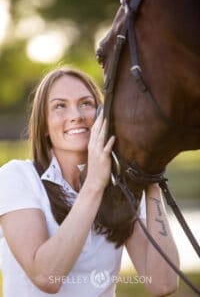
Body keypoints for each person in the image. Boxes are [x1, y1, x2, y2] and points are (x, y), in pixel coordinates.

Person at [0, 66, 179, 297]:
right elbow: (45, 277)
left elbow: (163, 283)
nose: (76, 115)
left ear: (102, 115)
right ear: (44, 125)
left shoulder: (120, 187)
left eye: (86, 103)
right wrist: (94, 184)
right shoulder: (16, 177)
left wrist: (152, 177)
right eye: (60, 106)